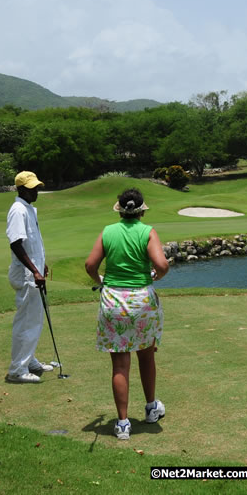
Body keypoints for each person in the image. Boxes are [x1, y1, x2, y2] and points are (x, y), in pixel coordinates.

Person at [85, 188, 169, 440]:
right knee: (146, 356)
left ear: (119, 210)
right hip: (142, 300)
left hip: (113, 300)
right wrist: (156, 275)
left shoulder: (108, 231)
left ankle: (122, 424)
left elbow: (90, 265)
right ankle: (151, 409)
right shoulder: (147, 231)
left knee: (120, 364)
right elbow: (162, 265)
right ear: (142, 210)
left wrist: (100, 280)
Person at [6, 171, 54, 383]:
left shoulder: (28, 208)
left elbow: (31, 243)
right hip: (26, 275)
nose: (36, 192)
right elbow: (16, 244)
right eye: (32, 188)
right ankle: (17, 369)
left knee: (34, 319)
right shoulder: (18, 210)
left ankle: (28, 359)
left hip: (32, 272)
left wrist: (41, 264)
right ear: (21, 189)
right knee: (27, 321)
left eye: (37, 187)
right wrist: (34, 270)